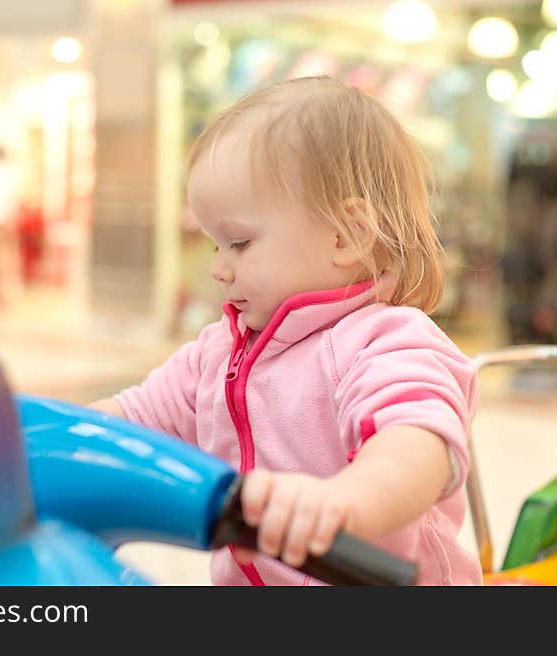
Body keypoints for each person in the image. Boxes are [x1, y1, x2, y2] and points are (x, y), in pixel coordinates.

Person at [90, 76, 482, 586]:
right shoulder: (218, 352)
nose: (219, 269)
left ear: (348, 235)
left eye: (239, 243)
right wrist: (17, 430)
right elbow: (132, 416)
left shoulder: (385, 342)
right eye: (215, 246)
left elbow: (417, 443)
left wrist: (343, 503)